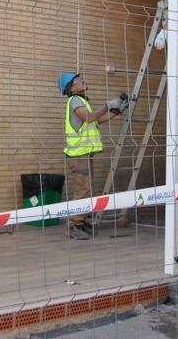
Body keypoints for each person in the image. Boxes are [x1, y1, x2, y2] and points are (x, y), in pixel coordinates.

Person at [59, 73, 126, 240]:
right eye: (79, 81)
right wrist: (107, 104)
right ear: (71, 88)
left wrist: (116, 110)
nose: (83, 81)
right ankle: (73, 225)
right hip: (78, 155)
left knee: (87, 189)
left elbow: (97, 120)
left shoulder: (82, 102)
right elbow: (89, 118)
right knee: (83, 189)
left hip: (84, 154)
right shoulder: (74, 100)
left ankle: (81, 221)